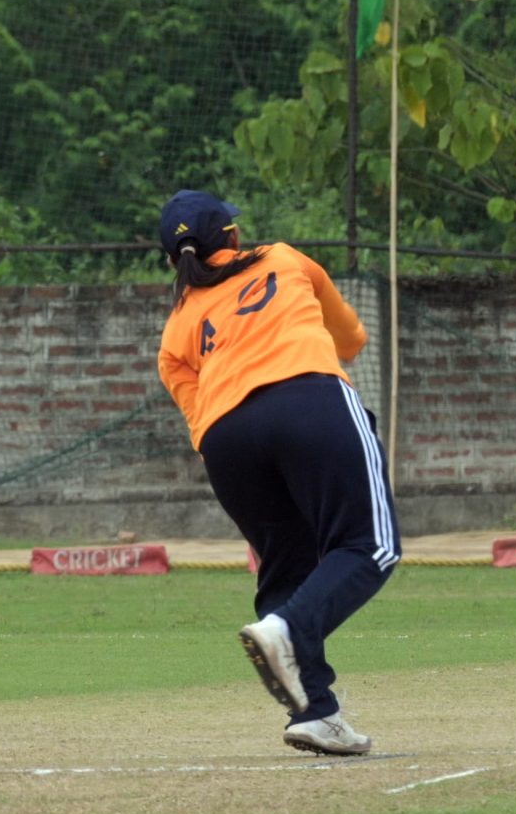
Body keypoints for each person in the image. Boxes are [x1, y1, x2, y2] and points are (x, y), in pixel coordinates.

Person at [152, 189, 397, 757]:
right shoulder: (283, 259)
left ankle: (317, 715)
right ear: (234, 236)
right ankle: (287, 628)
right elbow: (352, 340)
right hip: (308, 397)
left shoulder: (174, 333)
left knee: (286, 567)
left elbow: (200, 422)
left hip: (226, 440)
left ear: (172, 262)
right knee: (369, 545)